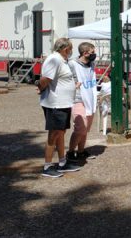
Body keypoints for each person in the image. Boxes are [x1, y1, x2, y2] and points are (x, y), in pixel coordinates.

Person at [37, 38, 81, 178]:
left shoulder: (62, 60)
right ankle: (47, 166)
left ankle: (62, 162)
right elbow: (45, 79)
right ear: (65, 49)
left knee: (61, 133)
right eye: (70, 49)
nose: (71, 51)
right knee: (54, 134)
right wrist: (39, 87)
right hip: (55, 103)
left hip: (64, 103)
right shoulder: (54, 59)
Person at [67, 42, 99, 162]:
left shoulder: (91, 64)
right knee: (80, 128)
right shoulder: (72, 64)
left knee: (86, 129)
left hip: (90, 99)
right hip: (78, 99)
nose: (94, 54)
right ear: (85, 53)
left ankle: (81, 151)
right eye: (92, 52)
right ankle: (70, 152)